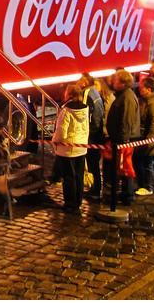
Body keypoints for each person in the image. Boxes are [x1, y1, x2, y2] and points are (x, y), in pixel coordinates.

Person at [105, 69, 140, 205]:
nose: (113, 82)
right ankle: (124, 193)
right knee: (121, 167)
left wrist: (123, 141)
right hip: (120, 139)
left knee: (126, 167)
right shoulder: (122, 96)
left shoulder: (128, 98)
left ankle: (128, 195)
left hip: (125, 140)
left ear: (123, 83)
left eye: (116, 80)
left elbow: (127, 121)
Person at [52, 84, 89, 214]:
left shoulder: (66, 111)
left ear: (69, 94)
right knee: (79, 175)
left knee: (68, 177)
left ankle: (70, 203)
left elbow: (61, 131)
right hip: (81, 147)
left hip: (67, 149)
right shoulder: (85, 108)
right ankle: (78, 200)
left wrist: (55, 141)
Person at [77, 73, 105, 201]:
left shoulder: (87, 94)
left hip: (91, 135)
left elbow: (84, 114)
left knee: (92, 163)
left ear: (84, 82)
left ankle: (95, 190)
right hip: (96, 133)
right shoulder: (95, 92)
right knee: (94, 163)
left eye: (80, 80)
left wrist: (85, 134)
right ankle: (95, 188)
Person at [134, 76, 154, 196]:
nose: (140, 90)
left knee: (148, 163)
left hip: (148, 138)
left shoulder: (153, 103)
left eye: (142, 88)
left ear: (149, 89)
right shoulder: (144, 101)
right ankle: (142, 183)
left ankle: (148, 186)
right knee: (140, 161)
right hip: (142, 137)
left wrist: (148, 140)